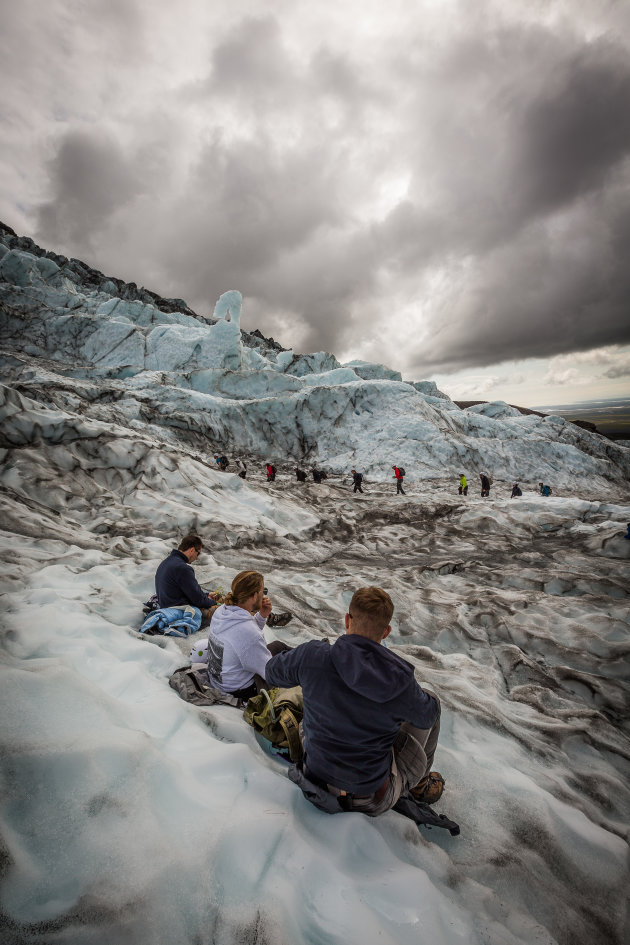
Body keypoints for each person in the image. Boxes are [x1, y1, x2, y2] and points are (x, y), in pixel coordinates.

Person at [265, 586, 444, 816]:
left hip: (315, 777)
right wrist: (404, 697)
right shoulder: (399, 682)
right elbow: (428, 715)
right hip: (370, 799)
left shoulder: (313, 655)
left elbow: (272, 673)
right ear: (386, 631)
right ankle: (418, 786)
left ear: (347, 620)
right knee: (432, 701)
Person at [207, 570, 290, 700]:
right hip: (240, 690)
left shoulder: (223, 611)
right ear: (255, 595)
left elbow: (241, 638)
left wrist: (262, 616)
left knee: (278, 646)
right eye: (263, 591)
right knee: (288, 667)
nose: (264, 595)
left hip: (218, 680)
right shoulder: (248, 631)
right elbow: (268, 671)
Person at [154, 535, 219, 627]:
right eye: (198, 553)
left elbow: (185, 592)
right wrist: (216, 603)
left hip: (166, 606)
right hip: (178, 611)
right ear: (192, 550)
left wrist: (207, 595)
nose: (197, 558)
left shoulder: (166, 562)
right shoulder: (183, 568)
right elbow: (198, 600)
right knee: (223, 613)